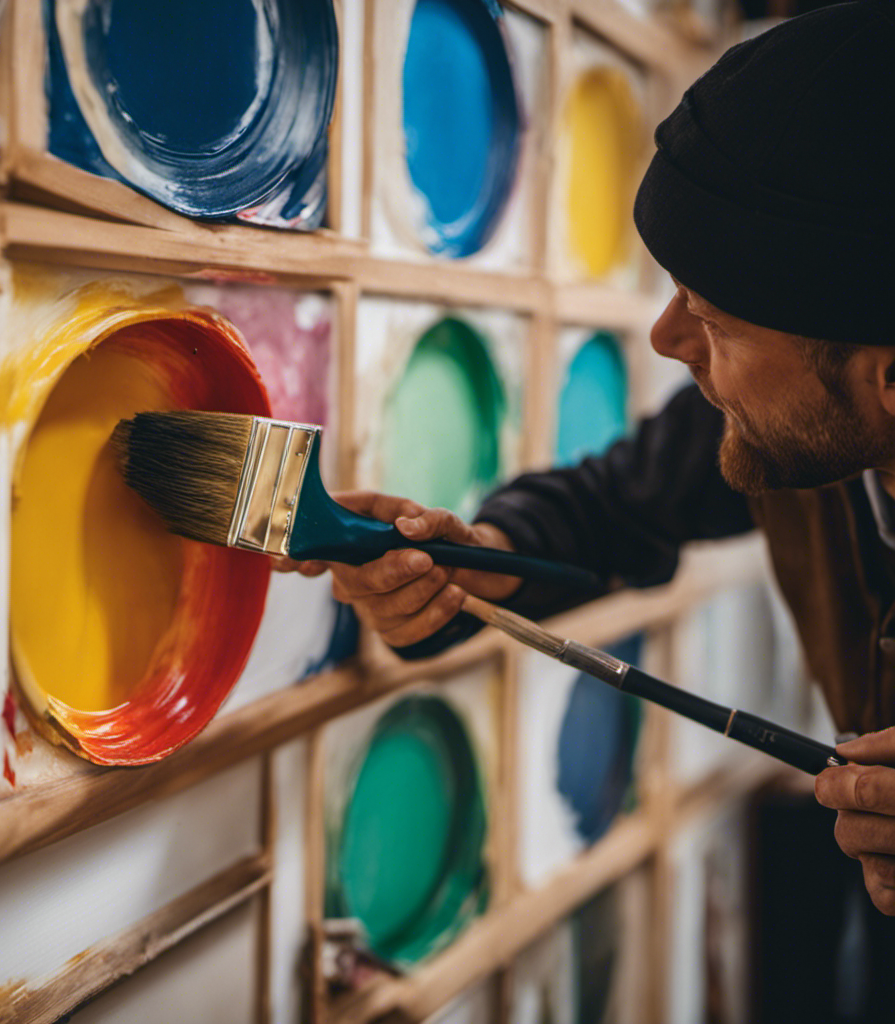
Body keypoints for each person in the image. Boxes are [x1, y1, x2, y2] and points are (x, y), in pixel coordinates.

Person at [279, 0, 895, 914]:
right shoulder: (810, 420)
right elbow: (619, 505)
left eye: (715, 317)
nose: (664, 336)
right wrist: (475, 560)